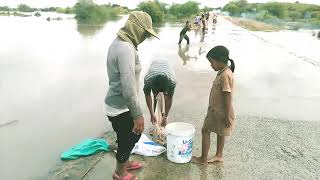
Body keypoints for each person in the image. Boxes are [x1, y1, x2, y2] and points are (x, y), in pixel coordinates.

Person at [104, 11, 158, 180]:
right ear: (137, 29)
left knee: (126, 137)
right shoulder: (126, 49)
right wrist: (138, 114)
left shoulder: (120, 43)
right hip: (121, 107)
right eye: (145, 33)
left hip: (117, 103)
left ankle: (125, 162)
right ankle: (120, 173)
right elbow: (128, 88)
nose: (145, 38)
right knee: (129, 138)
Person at [192, 45, 235, 165]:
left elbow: (227, 96)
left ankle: (203, 159)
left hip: (219, 111)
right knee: (221, 132)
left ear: (219, 60)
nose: (211, 65)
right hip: (219, 111)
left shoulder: (225, 75)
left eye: (211, 62)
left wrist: (226, 116)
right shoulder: (224, 72)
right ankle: (218, 155)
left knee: (205, 130)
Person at [143, 60, 176, 127]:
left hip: (167, 64)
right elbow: (147, 95)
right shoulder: (148, 80)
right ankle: (155, 118)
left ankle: (163, 117)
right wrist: (151, 114)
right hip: (154, 65)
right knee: (156, 97)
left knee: (166, 96)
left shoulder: (172, 81)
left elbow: (170, 97)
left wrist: (166, 117)